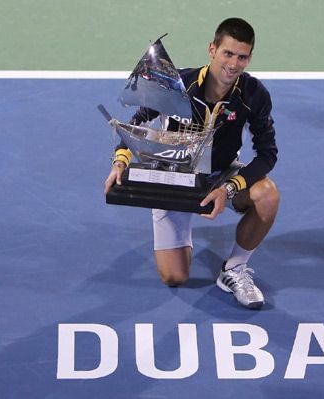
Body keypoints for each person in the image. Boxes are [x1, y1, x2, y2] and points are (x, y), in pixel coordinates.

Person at [104, 18, 279, 309]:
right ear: (212, 49)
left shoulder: (253, 94)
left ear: (249, 58)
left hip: (221, 174)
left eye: (242, 57)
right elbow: (134, 124)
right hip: (174, 177)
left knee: (268, 195)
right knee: (174, 277)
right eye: (228, 53)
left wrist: (230, 188)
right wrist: (120, 160)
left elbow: (267, 154)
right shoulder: (178, 84)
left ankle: (234, 269)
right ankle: (178, 221)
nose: (234, 64)